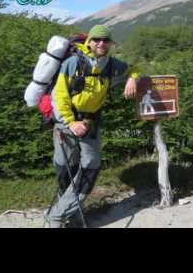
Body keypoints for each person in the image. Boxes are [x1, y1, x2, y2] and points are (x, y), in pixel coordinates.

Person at [44, 25, 139, 228]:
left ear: (111, 43)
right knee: (65, 167)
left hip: (91, 122)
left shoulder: (112, 65)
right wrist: (71, 122)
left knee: (91, 165)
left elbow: (135, 68)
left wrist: (132, 79)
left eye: (105, 40)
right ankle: (73, 213)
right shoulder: (72, 63)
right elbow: (59, 95)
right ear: (89, 41)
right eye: (97, 39)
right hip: (65, 123)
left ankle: (58, 216)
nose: (101, 43)